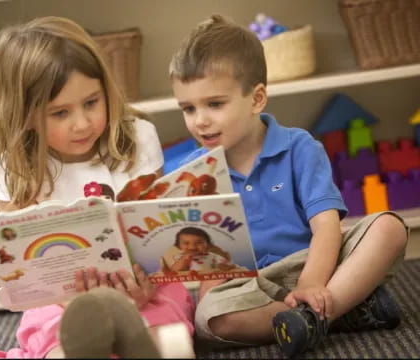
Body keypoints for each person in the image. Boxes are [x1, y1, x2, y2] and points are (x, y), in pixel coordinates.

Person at [0, 16, 195, 359]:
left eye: (92, 102)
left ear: (106, 90)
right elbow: (28, 267)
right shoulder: (13, 166)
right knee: (58, 341)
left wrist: (142, 288)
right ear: (25, 115)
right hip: (59, 301)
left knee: (167, 331)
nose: (81, 123)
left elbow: (154, 234)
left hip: (145, 287)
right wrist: (80, 302)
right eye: (60, 113)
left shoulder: (138, 138)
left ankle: (137, 345)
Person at [169, 14, 409, 357]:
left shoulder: (299, 147)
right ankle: (339, 311)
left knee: (389, 227)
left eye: (215, 104)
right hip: (251, 284)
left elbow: (327, 226)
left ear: (256, 99)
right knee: (213, 320)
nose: (200, 120)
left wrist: (312, 282)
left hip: (319, 264)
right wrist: (209, 288)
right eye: (188, 109)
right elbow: (203, 259)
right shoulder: (190, 173)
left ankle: (317, 310)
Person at [162, 226, 236, 273]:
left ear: (208, 245)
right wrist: (184, 259)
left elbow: (229, 267)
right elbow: (174, 270)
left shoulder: (213, 256)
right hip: (188, 282)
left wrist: (224, 267)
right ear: (178, 246)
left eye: (199, 242)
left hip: (210, 280)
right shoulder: (178, 257)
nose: (192, 247)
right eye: (186, 243)